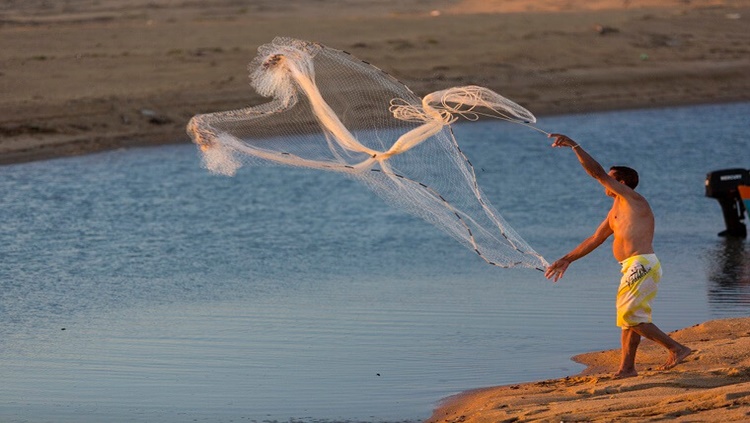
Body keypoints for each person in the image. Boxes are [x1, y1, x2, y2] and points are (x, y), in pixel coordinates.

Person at [544, 133, 691, 379]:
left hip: (641, 264)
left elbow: (597, 173)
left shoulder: (633, 200)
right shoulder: (616, 210)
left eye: (610, 180)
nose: (604, 184)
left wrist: (574, 145)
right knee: (630, 320)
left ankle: (677, 349)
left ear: (621, 183)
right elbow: (595, 239)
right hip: (633, 266)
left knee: (630, 317)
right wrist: (567, 258)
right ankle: (627, 368)